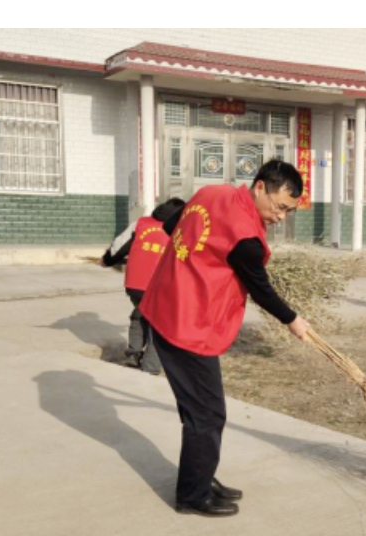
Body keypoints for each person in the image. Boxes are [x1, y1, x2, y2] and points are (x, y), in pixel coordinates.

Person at [140, 161, 310, 518]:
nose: (281, 217)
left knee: (196, 410)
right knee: (208, 413)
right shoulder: (245, 236)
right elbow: (260, 290)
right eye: (279, 207)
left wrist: (193, 264)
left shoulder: (211, 192)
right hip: (187, 326)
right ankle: (191, 496)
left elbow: (171, 224)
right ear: (260, 186)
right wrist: (293, 320)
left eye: (289, 212)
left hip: (166, 307)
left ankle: (200, 477)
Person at [100, 198, 185, 375]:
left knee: (140, 315)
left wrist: (107, 260)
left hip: (135, 285)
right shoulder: (179, 230)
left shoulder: (141, 223)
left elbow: (119, 246)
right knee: (159, 326)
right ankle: (150, 366)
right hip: (161, 288)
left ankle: (133, 354)